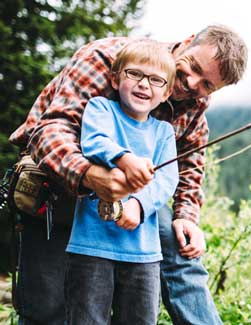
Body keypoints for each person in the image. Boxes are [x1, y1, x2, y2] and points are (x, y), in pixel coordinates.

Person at [9, 25, 248, 324]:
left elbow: (191, 159)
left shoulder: (196, 101)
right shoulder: (106, 58)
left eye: (207, 85)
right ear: (186, 43)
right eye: (193, 68)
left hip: (136, 195)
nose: (191, 83)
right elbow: (50, 131)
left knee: (183, 253)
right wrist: (91, 174)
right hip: (61, 183)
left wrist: (186, 214)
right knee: (47, 307)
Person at [65, 39, 179, 324]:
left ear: (166, 93)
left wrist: (139, 206)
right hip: (90, 247)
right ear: (116, 79)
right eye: (134, 74)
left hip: (144, 254)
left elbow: (168, 179)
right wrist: (124, 159)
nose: (144, 84)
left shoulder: (164, 132)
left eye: (155, 80)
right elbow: (94, 142)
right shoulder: (101, 108)